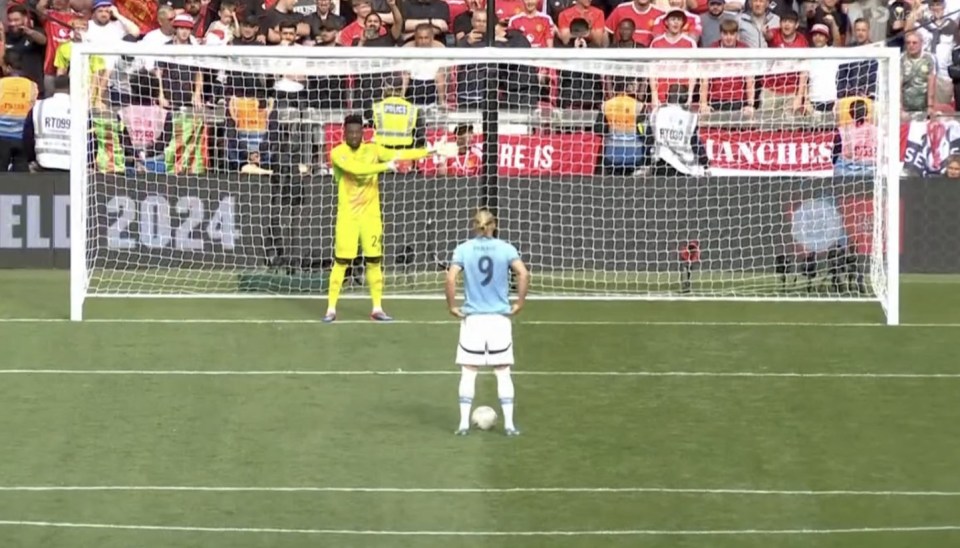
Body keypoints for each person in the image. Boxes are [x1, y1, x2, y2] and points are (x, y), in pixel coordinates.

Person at [324, 114, 447, 323]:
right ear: (344, 133)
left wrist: (430, 150)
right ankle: (331, 309)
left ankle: (377, 308)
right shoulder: (338, 153)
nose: (354, 135)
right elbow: (358, 171)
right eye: (350, 132)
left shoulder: (373, 149)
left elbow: (400, 153)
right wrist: (385, 167)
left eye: (357, 132)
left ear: (363, 133)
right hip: (348, 217)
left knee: (374, 261)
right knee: (342, 261)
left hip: (371, 217)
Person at [446, 209, 530, 436]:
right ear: (494, 225)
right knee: (503, 372)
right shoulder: (506, 248)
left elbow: (450, 277)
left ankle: (463, 424)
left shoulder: (463, 249)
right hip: (498, 320)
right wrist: (519, 302)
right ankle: (510, 425)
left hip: (473, 319)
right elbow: (523, 274)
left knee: (469, 371)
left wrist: (452, 306)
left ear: (474, 225)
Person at [23, 75, 71, 172]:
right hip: (71, 167)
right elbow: (91, 140)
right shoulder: (81, 109)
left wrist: (31, 159)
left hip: (43, 164)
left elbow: (28, 136)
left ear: (53, 87)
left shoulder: (38, 106)